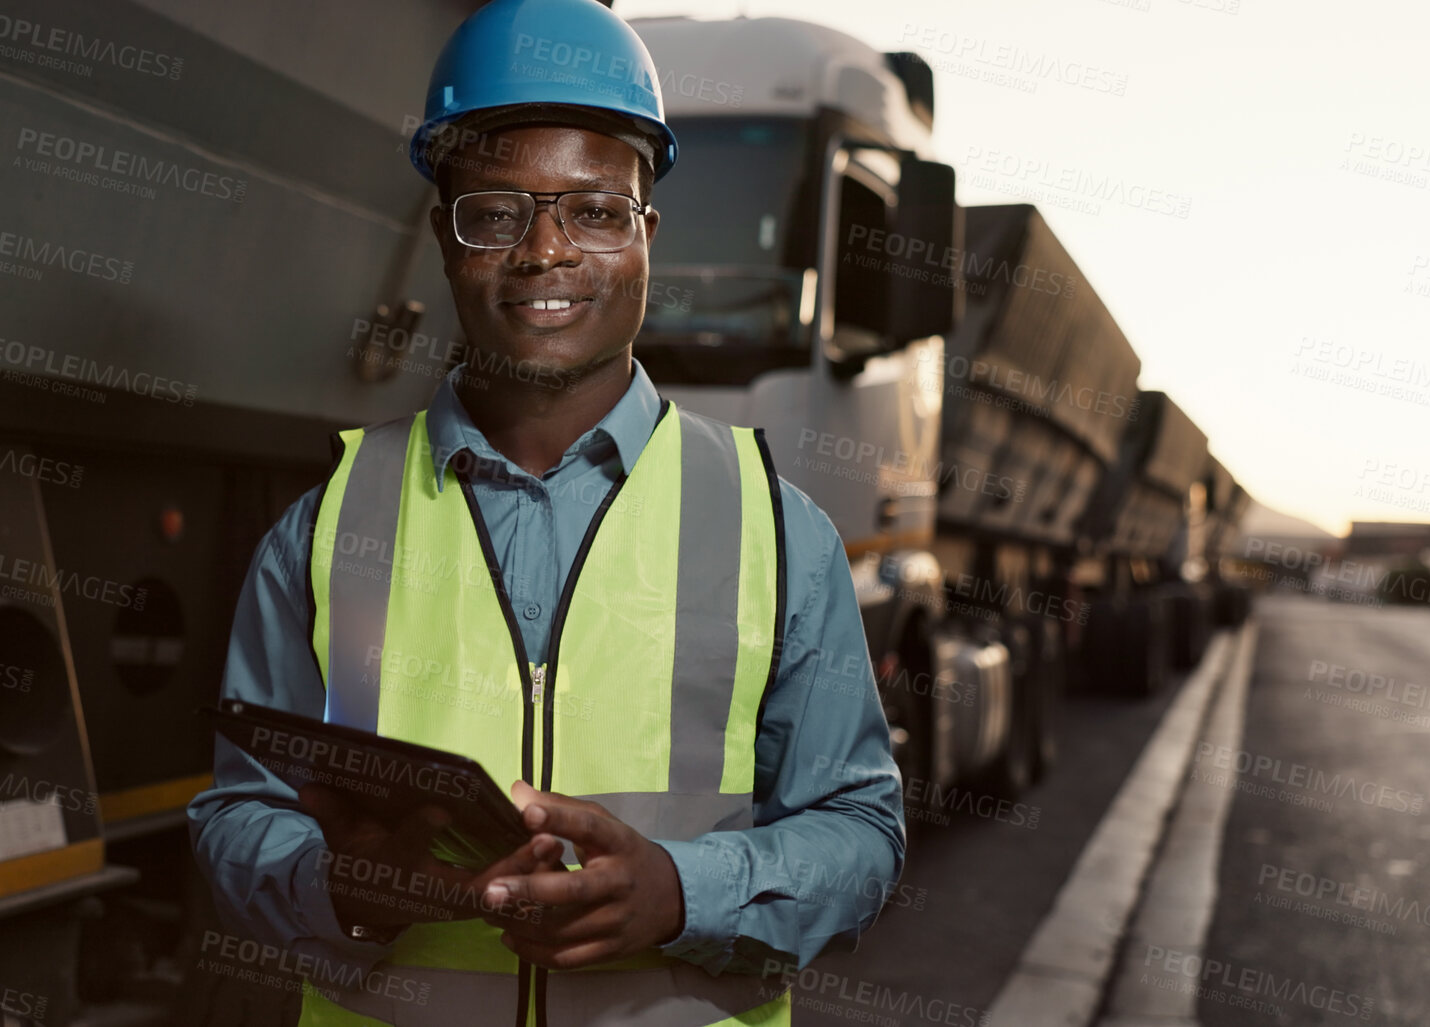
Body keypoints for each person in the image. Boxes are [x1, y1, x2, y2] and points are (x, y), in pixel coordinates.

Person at [188, 1, 905, 1024]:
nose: (546, 251)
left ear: (646, 234)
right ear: (446, 238)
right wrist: (341, 886)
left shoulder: (779, 535)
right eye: (496, 212)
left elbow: (862, 828)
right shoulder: (322, 531)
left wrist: (680, 894)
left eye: (596, 210)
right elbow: (235, 817)